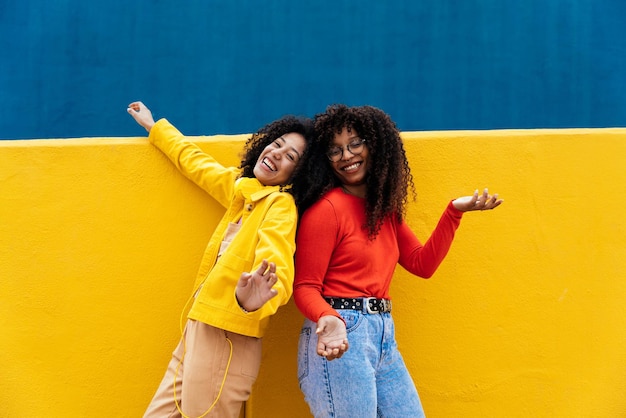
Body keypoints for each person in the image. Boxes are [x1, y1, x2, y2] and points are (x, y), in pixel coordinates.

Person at [293, 104, 503, 417]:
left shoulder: (384, 212)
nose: (346, 156)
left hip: (382, 336)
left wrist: (454, 212)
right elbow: (305, 287)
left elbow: (422, 264)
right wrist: (329, 317)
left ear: (375, 146)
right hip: (339, 338)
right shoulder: (327, 210)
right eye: (335, 150)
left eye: (355, 144)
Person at [127, 101, 316, 418]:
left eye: (290, 157)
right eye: (277, 144)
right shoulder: (243, 191)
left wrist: (251, 301)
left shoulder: (280, 206)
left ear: (296, 174)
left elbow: (278, 270)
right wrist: (154, 126)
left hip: (227, 338)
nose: (276, 154)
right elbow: (196, 163)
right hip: (198, 328)